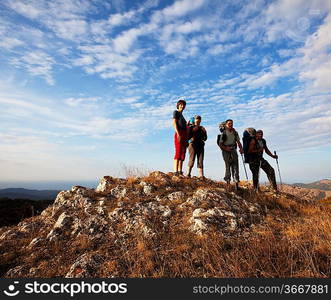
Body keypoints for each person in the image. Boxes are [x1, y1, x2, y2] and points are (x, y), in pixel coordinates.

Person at [219, 119, 244, 189]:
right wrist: (226, 148)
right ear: (226, 125)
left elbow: (238, 141)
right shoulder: (224, 133)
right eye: (229, 123)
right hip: (226, 150)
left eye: (231, 123)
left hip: (233, 149)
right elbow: (220, 144)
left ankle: (236, 183)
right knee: (228, 166)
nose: (231, 125)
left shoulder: (235, 132)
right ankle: (228, 183)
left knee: (235, 166)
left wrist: (241, 149)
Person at [172, 99, 188, 176]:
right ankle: (175, 171)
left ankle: (180, 171)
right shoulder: (176, 112)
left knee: (183, 153)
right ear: (178, 105)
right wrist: (178, 133)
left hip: (185, 135)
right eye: (181, 104)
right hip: (179, 133)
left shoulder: (183, 116)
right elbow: (174, 123)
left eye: (184, 105)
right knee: (178, 152)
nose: (182, 106)